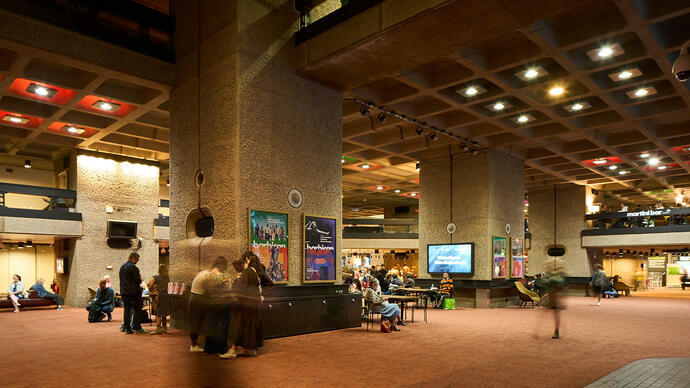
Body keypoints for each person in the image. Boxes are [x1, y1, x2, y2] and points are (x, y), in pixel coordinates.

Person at [220, 253, 265, 359]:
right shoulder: (256, 272)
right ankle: (251, 349)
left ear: (246, 259)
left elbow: (241, 289)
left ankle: (233, 350)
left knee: (241, 325)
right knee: (250, 326)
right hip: (254, 304)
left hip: (246, 305)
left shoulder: (248, 272)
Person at [189, 256, 229, 352]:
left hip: (195, 297)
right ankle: (193, 345)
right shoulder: (211, 275)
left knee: (197, 322)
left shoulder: (205, 272)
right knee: (196, 322)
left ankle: (202, 345)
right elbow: (213, 291)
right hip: (198, 298)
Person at [119, 252, 146, 334]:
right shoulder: (133, 268)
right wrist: (140, 280)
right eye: (137, 259)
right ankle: (137, 327)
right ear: (133, 258)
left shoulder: (122, 267)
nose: (137, 261)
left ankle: (127, 328)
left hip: (124, 292)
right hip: (133, 293)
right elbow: (137, 281)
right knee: (138, 310)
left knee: (127, 310)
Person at [543, 259, 568, 339]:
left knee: (556, 314)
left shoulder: (562, 275)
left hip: (557, 296)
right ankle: (557, 328)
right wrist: (547, 294)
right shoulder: (550, 275)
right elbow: (548, 286)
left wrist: (561, 295)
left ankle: (556, 330)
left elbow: (564, 286)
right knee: (553, 314)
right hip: (551, 296)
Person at [148, 264, 170, 334]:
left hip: (159, 296)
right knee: (164, 313)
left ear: (159, 270)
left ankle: (158, 328)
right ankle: (164, 327)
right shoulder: (167, 278)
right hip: (166, 296)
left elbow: (150, 286)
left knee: (158, 312)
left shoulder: (156, 277)